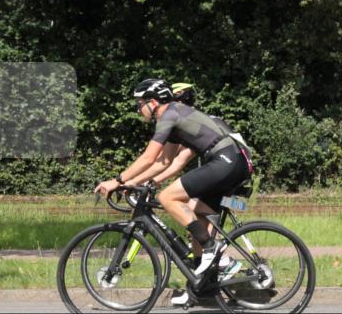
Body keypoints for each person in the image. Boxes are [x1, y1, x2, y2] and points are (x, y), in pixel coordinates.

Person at [94, 79, 253, 292]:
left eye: (139, 104)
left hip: (225, 160)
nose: (138, 109)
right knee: (196, 214)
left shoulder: (168, 114)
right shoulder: (174, 116)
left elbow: (149, 157)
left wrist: (116, 181)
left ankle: (211, 248)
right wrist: (134, 183)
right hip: (231, 162)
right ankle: (202, 288)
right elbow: (165, 162)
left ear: (152, 102)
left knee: (167, 197)